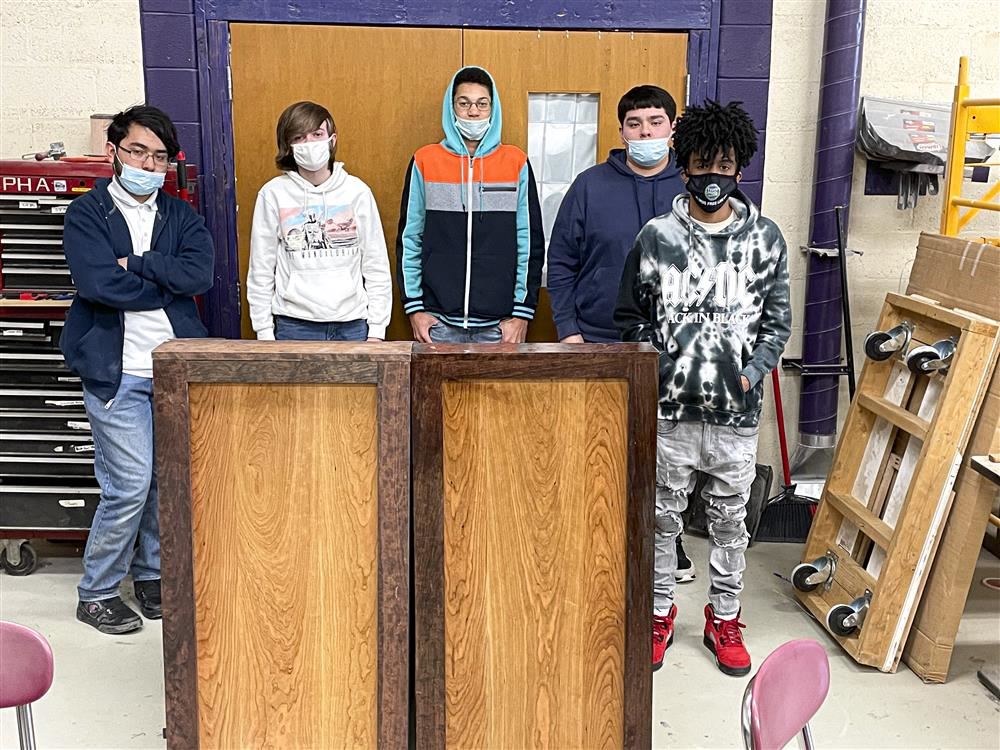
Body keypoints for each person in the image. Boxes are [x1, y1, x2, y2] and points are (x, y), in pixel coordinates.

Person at [615, 100, 791, 676]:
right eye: (700, 165)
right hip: (670, 414)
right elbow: (629, 315)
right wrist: (662, 361)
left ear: (739, 170)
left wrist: (751, 370)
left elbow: (777, 323)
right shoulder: (657, 236)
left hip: (735, 415)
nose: (711, 176)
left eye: (723, 166)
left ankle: (725, 617)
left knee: (729, 523)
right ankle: (659, 614)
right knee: (662, 519)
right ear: (683, 167)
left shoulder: (766, 239)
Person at [61, 105, 215, 634]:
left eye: (159, 156)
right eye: (137, 151)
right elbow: (99, 284)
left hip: (173, 370)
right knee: (128, 484)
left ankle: (151, 577)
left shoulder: (181, 217)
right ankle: (98, 590)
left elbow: (200, 274)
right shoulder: (87, 215)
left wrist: (140, 265)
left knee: (164, 482)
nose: (148, 164)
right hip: (116, 372)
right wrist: (161, 281)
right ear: (114, 152)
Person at [546, 84, 696, 582]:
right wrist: (568, 330)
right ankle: (600, 543)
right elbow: (561, 262)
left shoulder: (693, 191)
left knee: (667, 456)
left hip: (676, 349)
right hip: (599, 340)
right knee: (600, 452)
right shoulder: (590, 186)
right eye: (635, 124)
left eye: (655, 123)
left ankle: (665, 548)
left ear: (672, 130)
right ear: (621, 131)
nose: (646, 132)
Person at [397, 66, 544, 344]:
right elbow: (410, 238)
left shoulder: (516, 162)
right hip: (437, 323)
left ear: (493, 108)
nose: (473, 112)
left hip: (500, 326)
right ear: (451, 108)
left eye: (481, 104)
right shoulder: (425, 160)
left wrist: (522, 313)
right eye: (463, 103)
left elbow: (529, 242)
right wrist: (414, 307)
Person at [247, 101, 391, 341]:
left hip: (352, 325)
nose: (310, 144)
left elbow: (376, 264)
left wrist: (377, 330)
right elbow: (261, 269)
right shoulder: (273, 194)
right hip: (294, 326)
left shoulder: (357, 192)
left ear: (332, 140)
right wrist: (263, 331)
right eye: (299, 137)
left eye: (317, 134)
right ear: (288, 145)